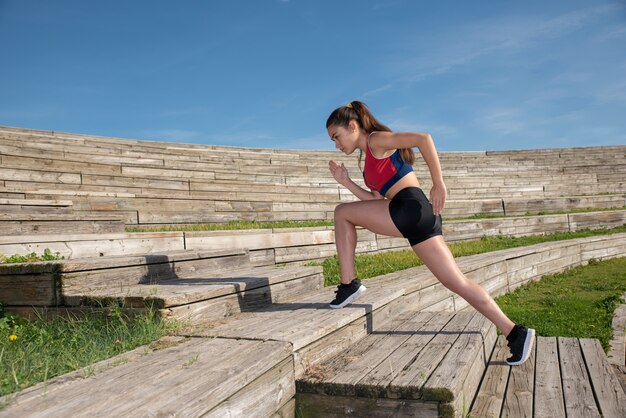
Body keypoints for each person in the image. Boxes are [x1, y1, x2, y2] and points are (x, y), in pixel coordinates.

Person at [325, 100, 535, 366]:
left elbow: (423, 139)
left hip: (410, 207)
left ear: (353, 126)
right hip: (416, 214)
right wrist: (347, 182)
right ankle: (516, 333)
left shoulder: (377, 140)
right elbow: (374, 202)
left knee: (342, 213)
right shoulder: (368, 159)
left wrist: (439, 183)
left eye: (337, 137)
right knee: (456, 282)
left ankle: (349, 285)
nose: (336, 144)